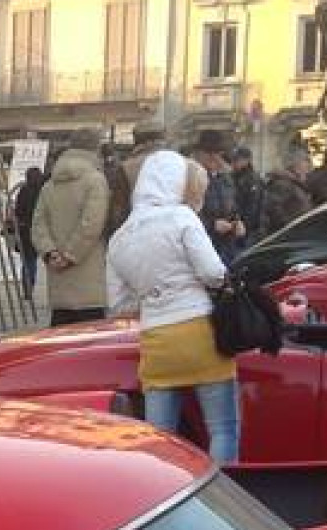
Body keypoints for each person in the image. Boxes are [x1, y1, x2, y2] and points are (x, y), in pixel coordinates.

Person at [106, 150, 239, 465]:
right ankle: (227, 496)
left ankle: (166, 494)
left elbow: (118, 305)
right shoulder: (182, 218)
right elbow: (213, 273)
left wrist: (155, 294)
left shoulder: (119, 238)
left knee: (160, 439)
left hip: (157, 343)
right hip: (200, 333)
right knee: (222, 429)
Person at [32, 127, 110, 326]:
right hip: (89, 284)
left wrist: (51, 254)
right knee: (88, 346)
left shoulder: (50, 185)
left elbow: (38, 225)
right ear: (96, 149)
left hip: (58, 284)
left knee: (61, 341)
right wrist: (70, 256)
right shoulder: (96, 180)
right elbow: (92, 224)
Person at [192, 129, 246, 263]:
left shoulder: (225, 178)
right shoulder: (191, 177)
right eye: (210, 153)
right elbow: (187, 212)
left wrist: (237, 222)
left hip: (227, 247)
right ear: (199, 154)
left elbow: (233, 207)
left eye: (218, 153)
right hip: (203, 246)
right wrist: (211, 225)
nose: (215, 157)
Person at [260, 153, 314, 235]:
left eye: (308, 169)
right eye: (305, 168)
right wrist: (288, 224)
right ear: (296, 167)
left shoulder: (297, 184)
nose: (307, 172)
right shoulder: (284, 183)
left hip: (296, 231)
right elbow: (272, 207)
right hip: (284, 233)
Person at [14, 166, 47, 295]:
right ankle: (30, 284)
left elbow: (18, 210)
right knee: (37, 259)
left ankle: (28, 287)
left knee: (28, 261)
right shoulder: (44, 191)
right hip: (40, 228)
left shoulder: (23, 190)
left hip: (25, 229)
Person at [230, 146, 264, 242]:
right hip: (236, 226)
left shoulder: (253, 180)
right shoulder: (232, 177)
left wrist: (244, 224)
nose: (234, 163)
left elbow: (253, 207)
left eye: (237, 160)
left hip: (249, 230)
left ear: (247, 160)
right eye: (233, 160)